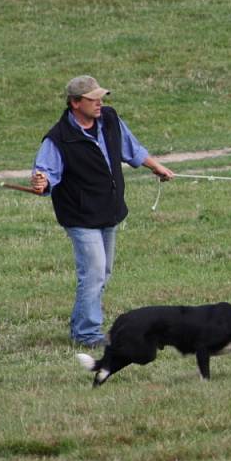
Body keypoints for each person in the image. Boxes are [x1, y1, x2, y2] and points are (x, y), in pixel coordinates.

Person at [31, 75, 174, 347]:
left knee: (103, 272)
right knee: (94, 272)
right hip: (80, 216)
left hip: (108, 210)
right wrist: (42, 182)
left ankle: (79, 326)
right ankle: (87, 333)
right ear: (75, 103)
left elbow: (131, 148)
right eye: (92, 99)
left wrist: (156, 166)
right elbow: (46, 173)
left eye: (101, 97)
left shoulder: (109, 119)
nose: (99, 103)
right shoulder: (58, 138)